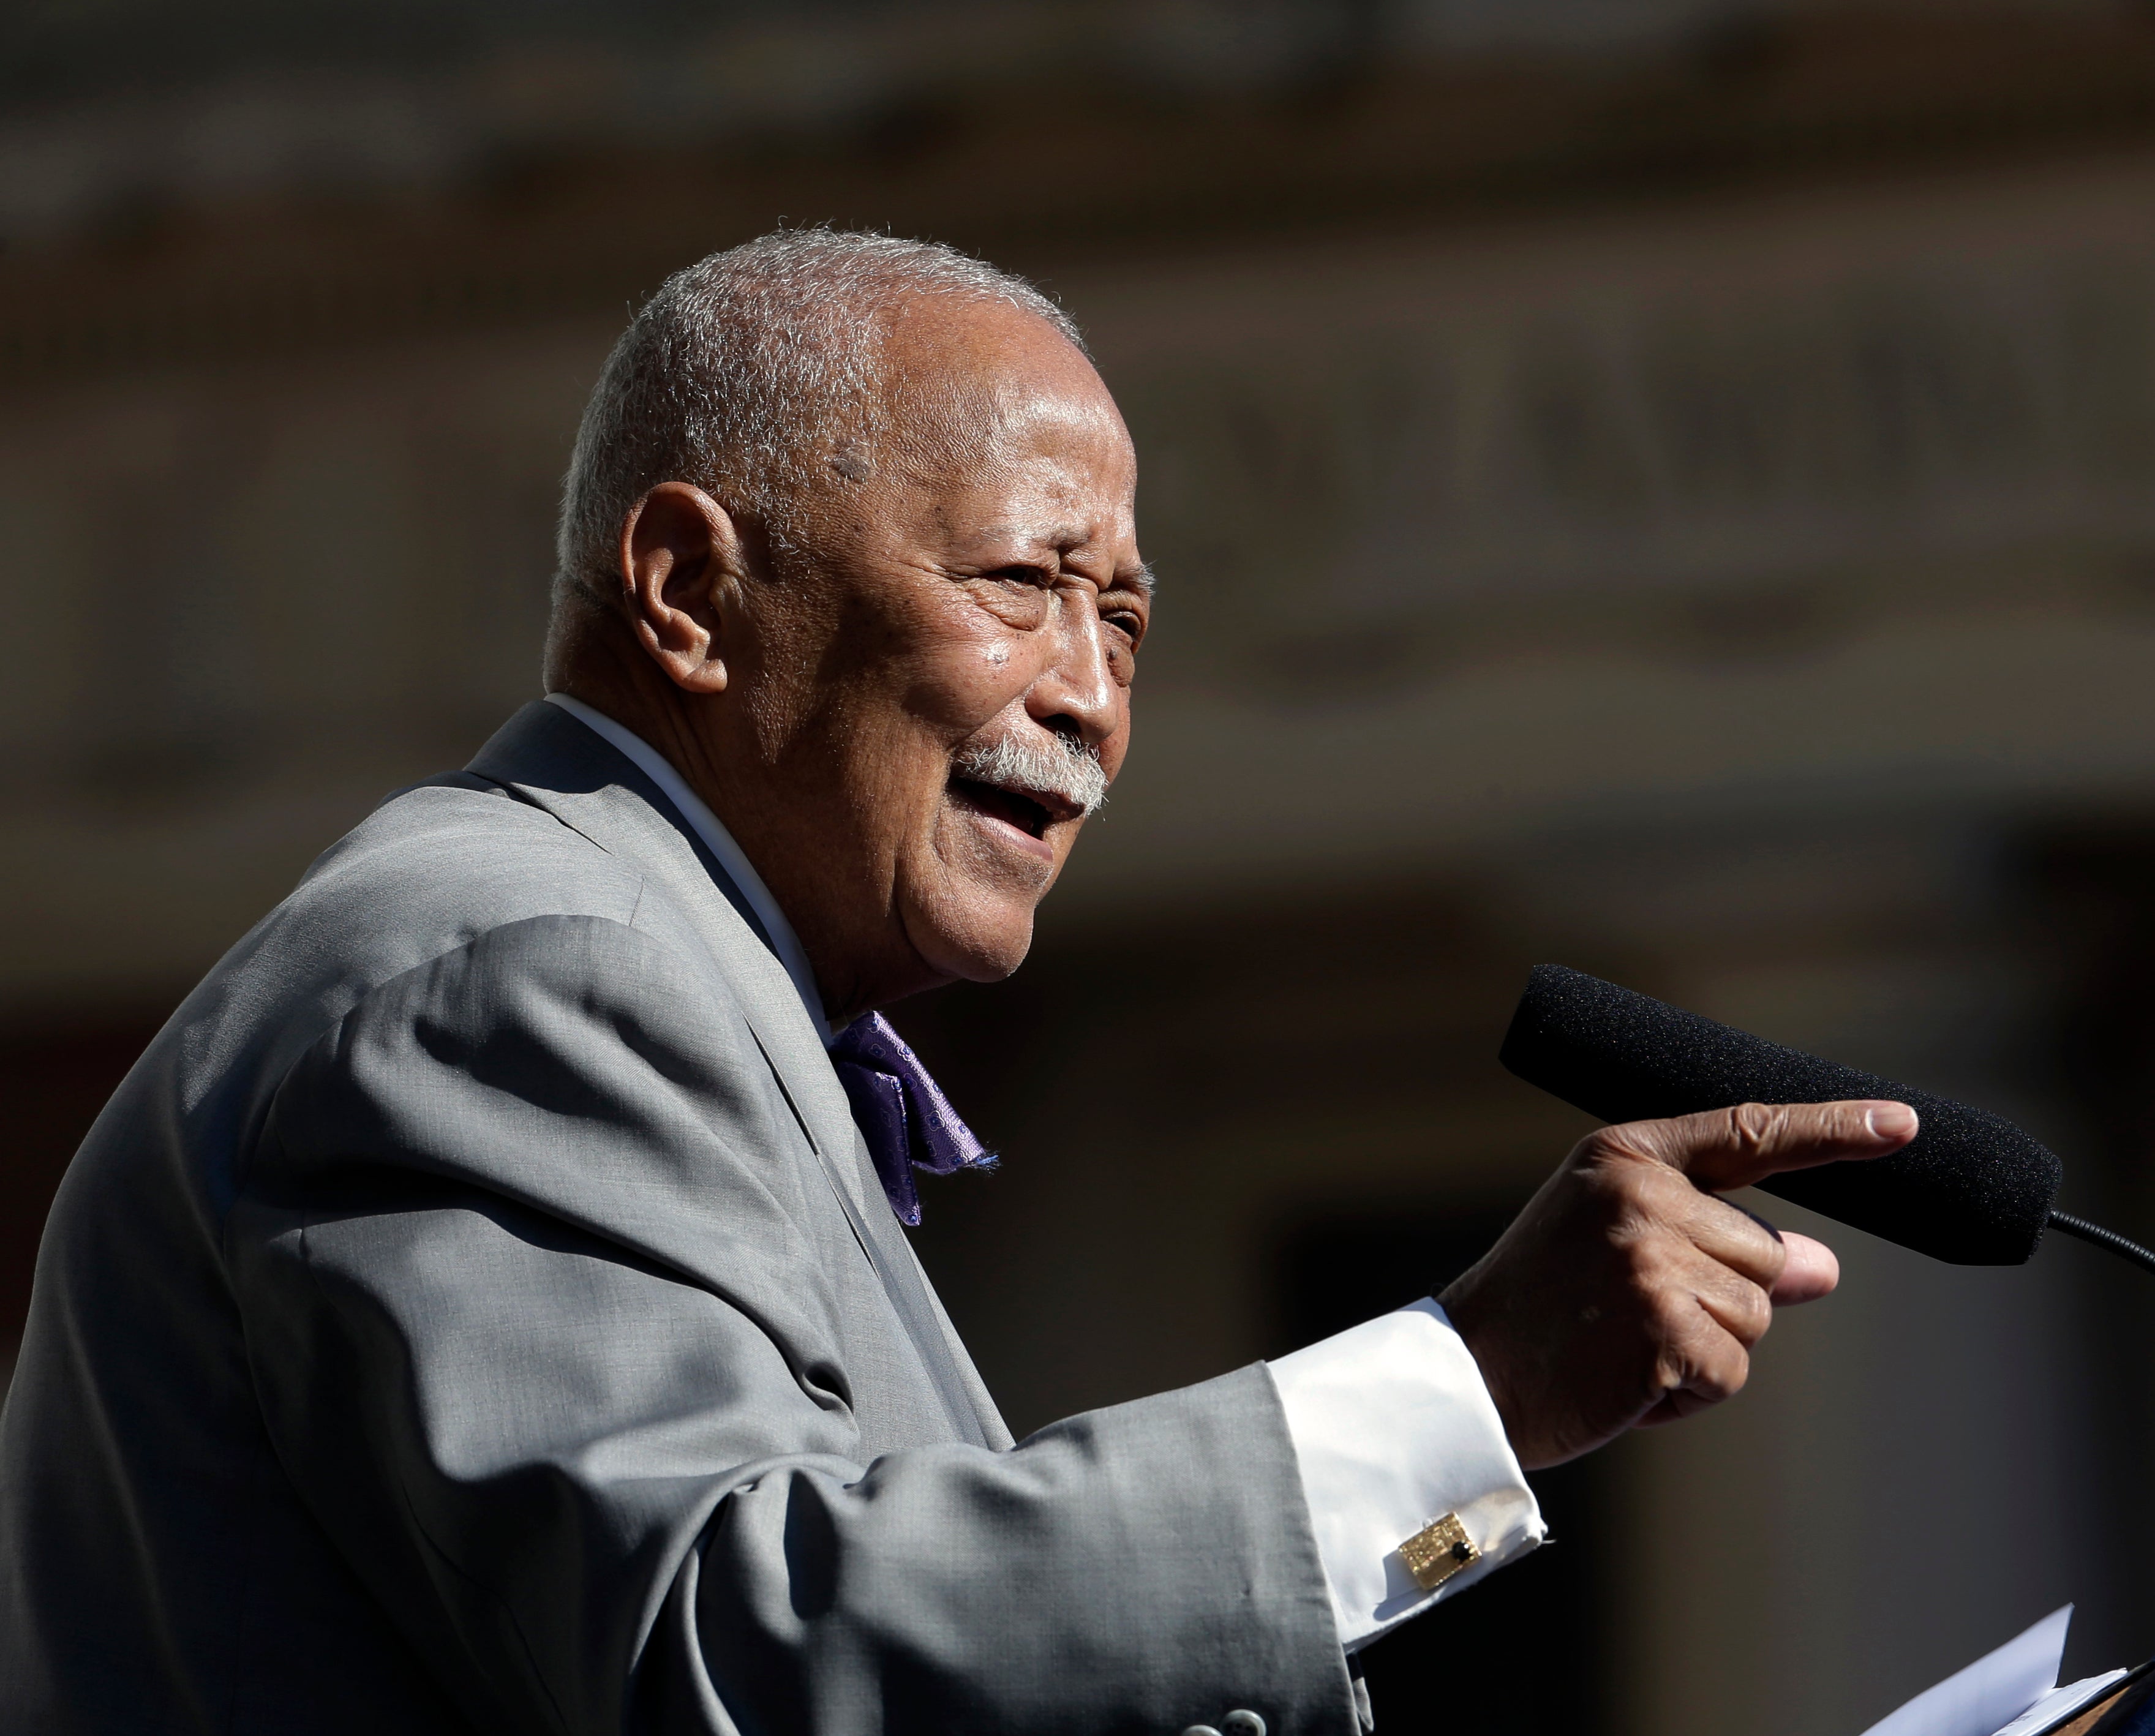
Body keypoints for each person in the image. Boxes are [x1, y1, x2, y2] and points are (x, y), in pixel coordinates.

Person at [0, 232, 1916, 1735]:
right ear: (687, 589)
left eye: (1129, 617)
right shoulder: (523, 970)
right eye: (1023, 579)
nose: (1088, 690)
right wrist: (1465, 1377)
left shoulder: (669, 984)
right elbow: (736, 1656)